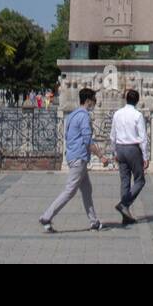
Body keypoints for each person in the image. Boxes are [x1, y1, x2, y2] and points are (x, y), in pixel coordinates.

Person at [39, 88, 105, 233]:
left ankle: (94, 222)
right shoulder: (84, 116)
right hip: (79, 158)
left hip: (73, 156)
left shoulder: (73, 115)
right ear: (88, 101)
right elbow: (88, 140)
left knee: (87, 190)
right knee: (70, 190)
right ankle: (46, 216)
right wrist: (101, 156)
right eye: (94, 100)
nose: (95, 103)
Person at [110, 89, 149, 224]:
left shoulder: (117, 114)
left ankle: (125, 216)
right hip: (133, 148)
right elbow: (143, 137)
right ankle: (124, 204)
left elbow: (112, 135)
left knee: (125, 181)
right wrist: (145, 156)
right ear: (137, 101)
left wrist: (115, 151)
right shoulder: (137, 115)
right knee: (140, 180)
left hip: (120, 148)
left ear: (126, 99)